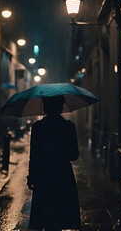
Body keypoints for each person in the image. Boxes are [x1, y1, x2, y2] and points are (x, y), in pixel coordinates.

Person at [27, 96, 81, 231]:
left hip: (43, 177)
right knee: (61, 214)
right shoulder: (68, 127)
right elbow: (74, 155)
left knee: (46, 215)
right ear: (61, 107)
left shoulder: (38, 127)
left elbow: (34, 156)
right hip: (63, 176)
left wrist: (31, 177)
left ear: (45, 108)